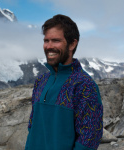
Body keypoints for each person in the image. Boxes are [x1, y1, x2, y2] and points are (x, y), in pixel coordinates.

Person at [25, 14, 103, 150]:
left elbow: (89, 139)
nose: (49, 46)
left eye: (55, 41)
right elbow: (33, 128)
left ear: (72, 44)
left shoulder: (84, 85)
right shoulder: (41, 81)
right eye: (46, 40)